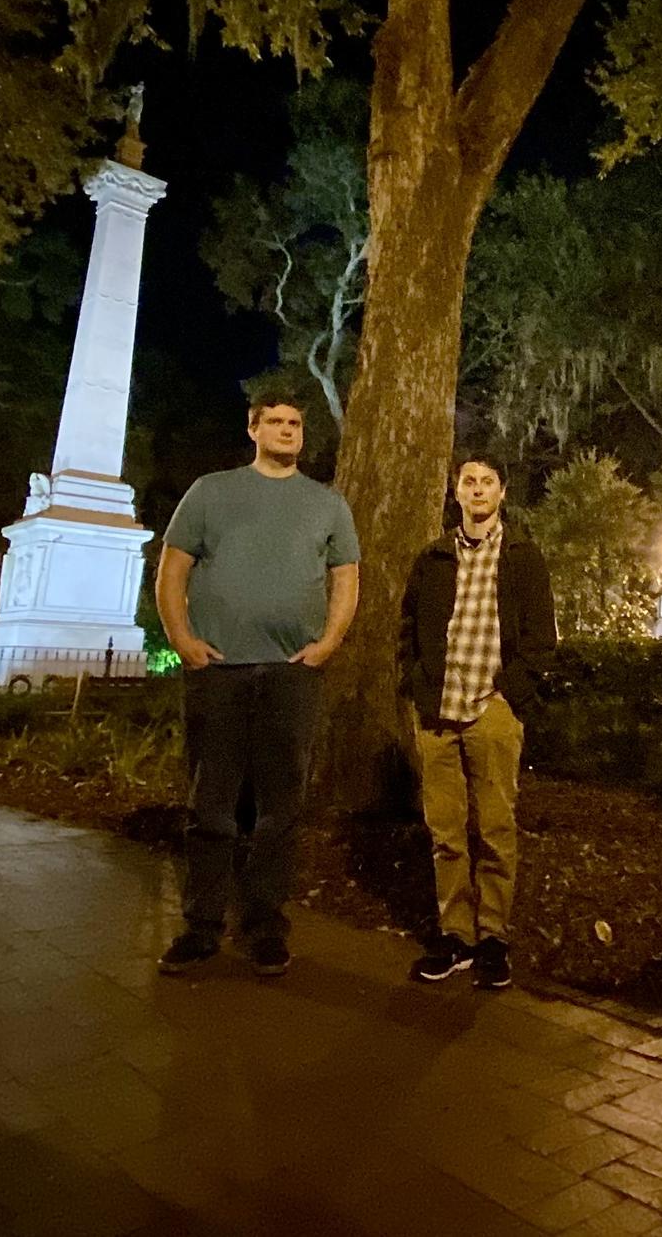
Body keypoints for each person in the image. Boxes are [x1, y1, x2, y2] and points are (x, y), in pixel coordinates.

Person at [154, 392, 359, 979]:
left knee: (280, 807)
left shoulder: (326, 503)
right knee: (211, 803)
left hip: (292, 673)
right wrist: (181, 638)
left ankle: (266, 925)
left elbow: (346, 577)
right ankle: (201, 926)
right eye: (275, 421)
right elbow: (173, 569)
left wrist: (330, 642)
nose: (287, 430)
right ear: (253, 429)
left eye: (295, 423)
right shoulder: (211, 491)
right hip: (218, 670)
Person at [399, 455, 557, 989]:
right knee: (446, 832)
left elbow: (541, 641)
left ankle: (493, 937)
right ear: (457, 492)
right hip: (438, 712)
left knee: (494, 828)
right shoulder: (434, 557)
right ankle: (456, 935)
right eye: (469, 481)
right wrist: (417, 685)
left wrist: (507, 697)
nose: (478, 489)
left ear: (502, 493)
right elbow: (408, 625)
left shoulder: (523, 557)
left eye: (488, 482)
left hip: (492, 711)